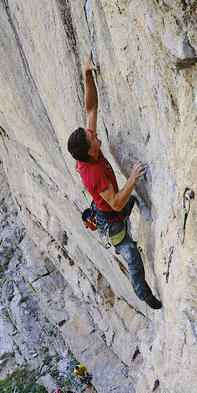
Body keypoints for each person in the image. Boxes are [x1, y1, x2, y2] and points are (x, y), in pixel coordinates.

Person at [67, 51, 162, 310]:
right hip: (112, 220)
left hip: (113, 206)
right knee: (132, 258)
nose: (92, 132)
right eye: (91, 136)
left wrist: (87, 73)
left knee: (135, 201)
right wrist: (132, 177)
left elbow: (91, 107)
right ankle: (145, 295)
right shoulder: (93, 172)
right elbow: (118, 204)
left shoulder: (89, 150)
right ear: (91, 151)